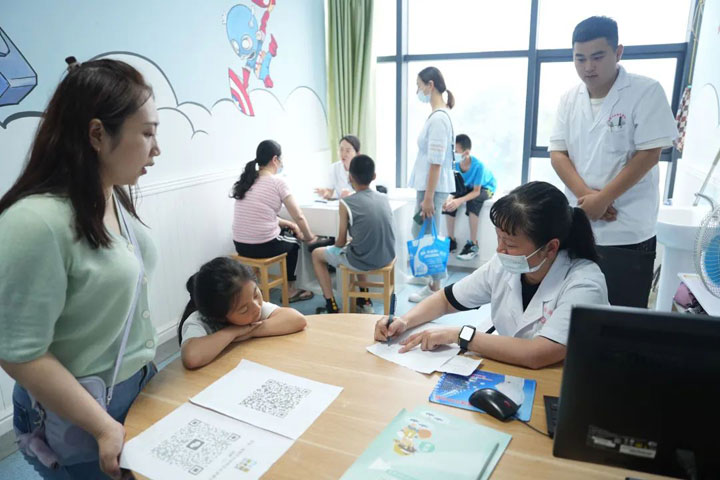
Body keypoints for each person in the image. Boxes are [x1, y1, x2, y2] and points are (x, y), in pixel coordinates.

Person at [0, 57, 161, 479]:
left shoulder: (111, 195)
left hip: (137, 386)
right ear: (97, 134)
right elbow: (19, 353)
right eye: (147, 133)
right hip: (82, 411)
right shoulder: (34, 222)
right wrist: (102, 426)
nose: (157, 149)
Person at [374, 182, 609, 370]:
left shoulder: (584, 284)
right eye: (499, 239)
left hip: (562, 385)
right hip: (513, 374)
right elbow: (446, 300)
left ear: (550, 247)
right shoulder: (504, 265)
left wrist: (461, 335)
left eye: (510, 244)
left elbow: (538, 353)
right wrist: (404, 321)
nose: (500, 250)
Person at [549, 16, 678, 308]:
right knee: (573, 312)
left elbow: (649, 154)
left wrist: (604, 198)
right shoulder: (569, 99)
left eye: (597, 57)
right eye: (580, 58)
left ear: (618, 52)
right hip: (580, 224)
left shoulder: (645, 91)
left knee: (622, 316)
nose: (588, 67)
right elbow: (558, 153)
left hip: (627, 230)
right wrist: (589, 198)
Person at [178, 257, 307, 369]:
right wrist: (233, 332)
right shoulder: (199, 321)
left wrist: (250, 331)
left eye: (256, 294)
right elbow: (192, 357)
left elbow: (297, 319)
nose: (256, 307)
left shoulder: (251, 305)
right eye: (244, 309)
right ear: (220, 317)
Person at [232, 140, 317, 303]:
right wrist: (310, 237)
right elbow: (298, 215)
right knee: (295, 242)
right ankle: (291, 290)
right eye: (281, 159)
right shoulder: (277, 182)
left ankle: (258, 284)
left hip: (240, 245)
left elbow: (260, 214)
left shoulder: (248, 181)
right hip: (262, 245)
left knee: (287, 231)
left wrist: (288, 224)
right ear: (275, 159)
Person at [311, 155, 396, 313]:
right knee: (356, 246)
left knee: (316, 254)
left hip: (362, 260)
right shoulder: (384, 198)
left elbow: (341, 242)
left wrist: (331, 247)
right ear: (374, 176)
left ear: (350, 177)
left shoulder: (346, 203)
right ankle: (365, 300)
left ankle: (331, 305)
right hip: (387, 256)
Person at [407, 66, 456, 303]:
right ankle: (429, 277)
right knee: (422, 232)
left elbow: (436, 162)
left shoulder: (438, 119)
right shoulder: (438, 115)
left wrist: (428, 198)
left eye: (419, 86)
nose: (418, 91)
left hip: (432, 189)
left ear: (430, 85)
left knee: (427, 234)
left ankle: (436, 286)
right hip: (430, 187)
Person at [442, 134, 496, 260]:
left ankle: (473, 244)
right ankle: (451, 241)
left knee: (473, 201)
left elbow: (476, 192)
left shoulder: (478, 166)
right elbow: (454, 187)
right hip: (468, 186)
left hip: (485, 187)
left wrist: (459, 201)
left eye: (456, 151)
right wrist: (450, 199)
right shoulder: (454, 165)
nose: (453, 154)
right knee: (449, 203)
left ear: (466, 152)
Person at [314, 135, 361, 200]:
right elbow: (330, 191)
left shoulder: (364, 168)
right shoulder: (334, 168)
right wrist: (326, 192)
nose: (343, 154)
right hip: (340, 204)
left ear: (357, 153)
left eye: (348, 151)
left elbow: (368, 193)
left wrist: (350, 195)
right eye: (341, 150)